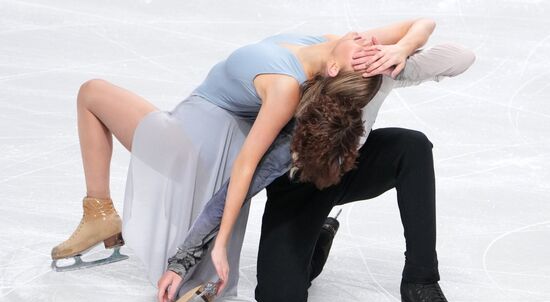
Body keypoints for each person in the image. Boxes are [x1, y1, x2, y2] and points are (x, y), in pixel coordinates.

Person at [156, 24, 475, 302]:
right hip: (300, 190)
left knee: (413, 146)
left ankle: (421, 281)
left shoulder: (379, 70)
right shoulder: (290, 127)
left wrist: (402, 51)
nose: (367, 43)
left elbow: (462, 56)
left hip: (352, 168)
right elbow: (236, 187)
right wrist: (184, 259)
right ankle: (319, 238)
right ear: (331, 72)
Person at [51, 20, 434, 282]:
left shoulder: (287, 86)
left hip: (192, 143)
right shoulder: (327, 43)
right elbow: (423, 23)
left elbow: (248, 164)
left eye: (368, 55)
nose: (370, 44)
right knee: (94, 93)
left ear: (334, 70)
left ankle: (98, 212)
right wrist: (399, 49)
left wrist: (219, 246)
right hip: (197, 129)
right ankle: (99, 215)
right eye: (370, 48)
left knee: (92, 92)